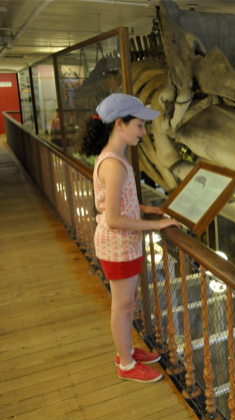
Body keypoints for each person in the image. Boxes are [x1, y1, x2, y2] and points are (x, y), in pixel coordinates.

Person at [79, 93, 179, 383]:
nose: (143, 131)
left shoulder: (113, 158)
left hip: (123, 246)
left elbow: (118, 203)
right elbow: (113, 218)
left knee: (127, 302)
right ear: (119, 124)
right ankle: (125, 364)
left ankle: (126, 350)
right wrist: (156, 224)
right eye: (139, 125)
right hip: (118, 247)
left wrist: (146, 209)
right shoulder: (113, 164)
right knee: (122, 307)